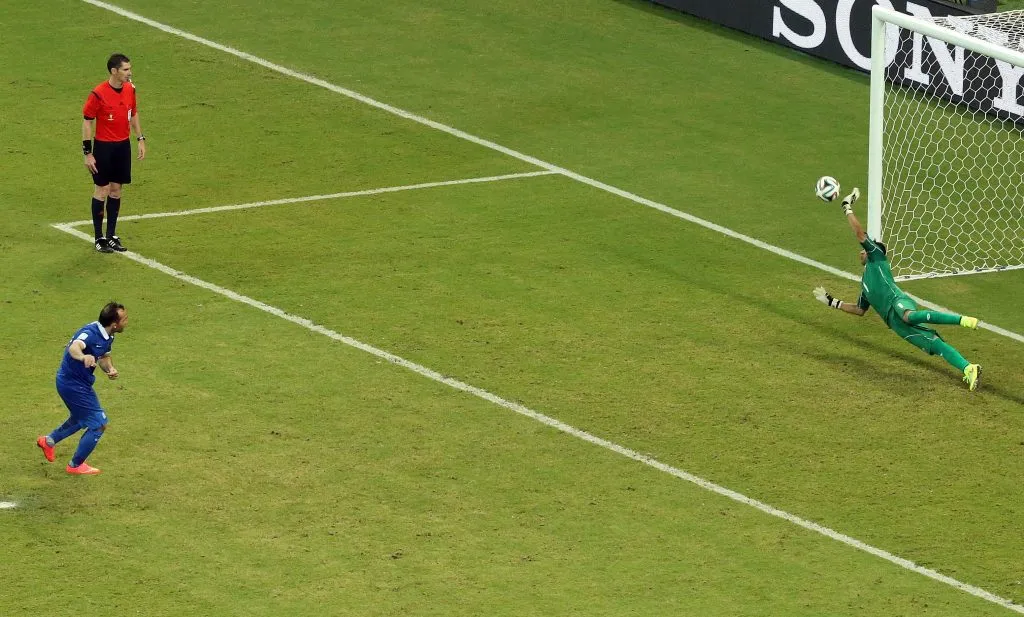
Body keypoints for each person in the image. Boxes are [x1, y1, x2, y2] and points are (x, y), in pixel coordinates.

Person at [813, 188, 982, 391]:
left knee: (909, 316)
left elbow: (858, 232)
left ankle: (963, 320)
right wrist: (833, 302)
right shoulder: (865, 284)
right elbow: (859, 310)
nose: (862, 251)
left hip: (898, 303)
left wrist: (846, 207)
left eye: (866, 248)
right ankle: (968, 368)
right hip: (894, 324)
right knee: (933, 344)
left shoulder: (877, 257)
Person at [36, 303, 129, 475]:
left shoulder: (108, 336)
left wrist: (110, 369)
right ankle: (75, 465)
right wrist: (83, 356)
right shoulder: (91, 333)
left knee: (80, 418)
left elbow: (103, 357)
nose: (127, 321)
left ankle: (48, 441)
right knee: (99, 424)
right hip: (72, 384)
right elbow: (74, 347)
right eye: (124, 319)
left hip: (78, 383)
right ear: (114, 324)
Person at [82, 53, 146, 254]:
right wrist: (87, 152)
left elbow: (133, 112)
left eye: (129, 69)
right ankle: (99, 237)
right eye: (126, 70)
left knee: (116, 190)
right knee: (102, 190)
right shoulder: (98, 94)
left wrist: (140, 138)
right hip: (103, 147)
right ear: (114, 71)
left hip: (122, 146)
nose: (130, 73)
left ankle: (111, 236)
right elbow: (87, 121)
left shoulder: (130, 89)